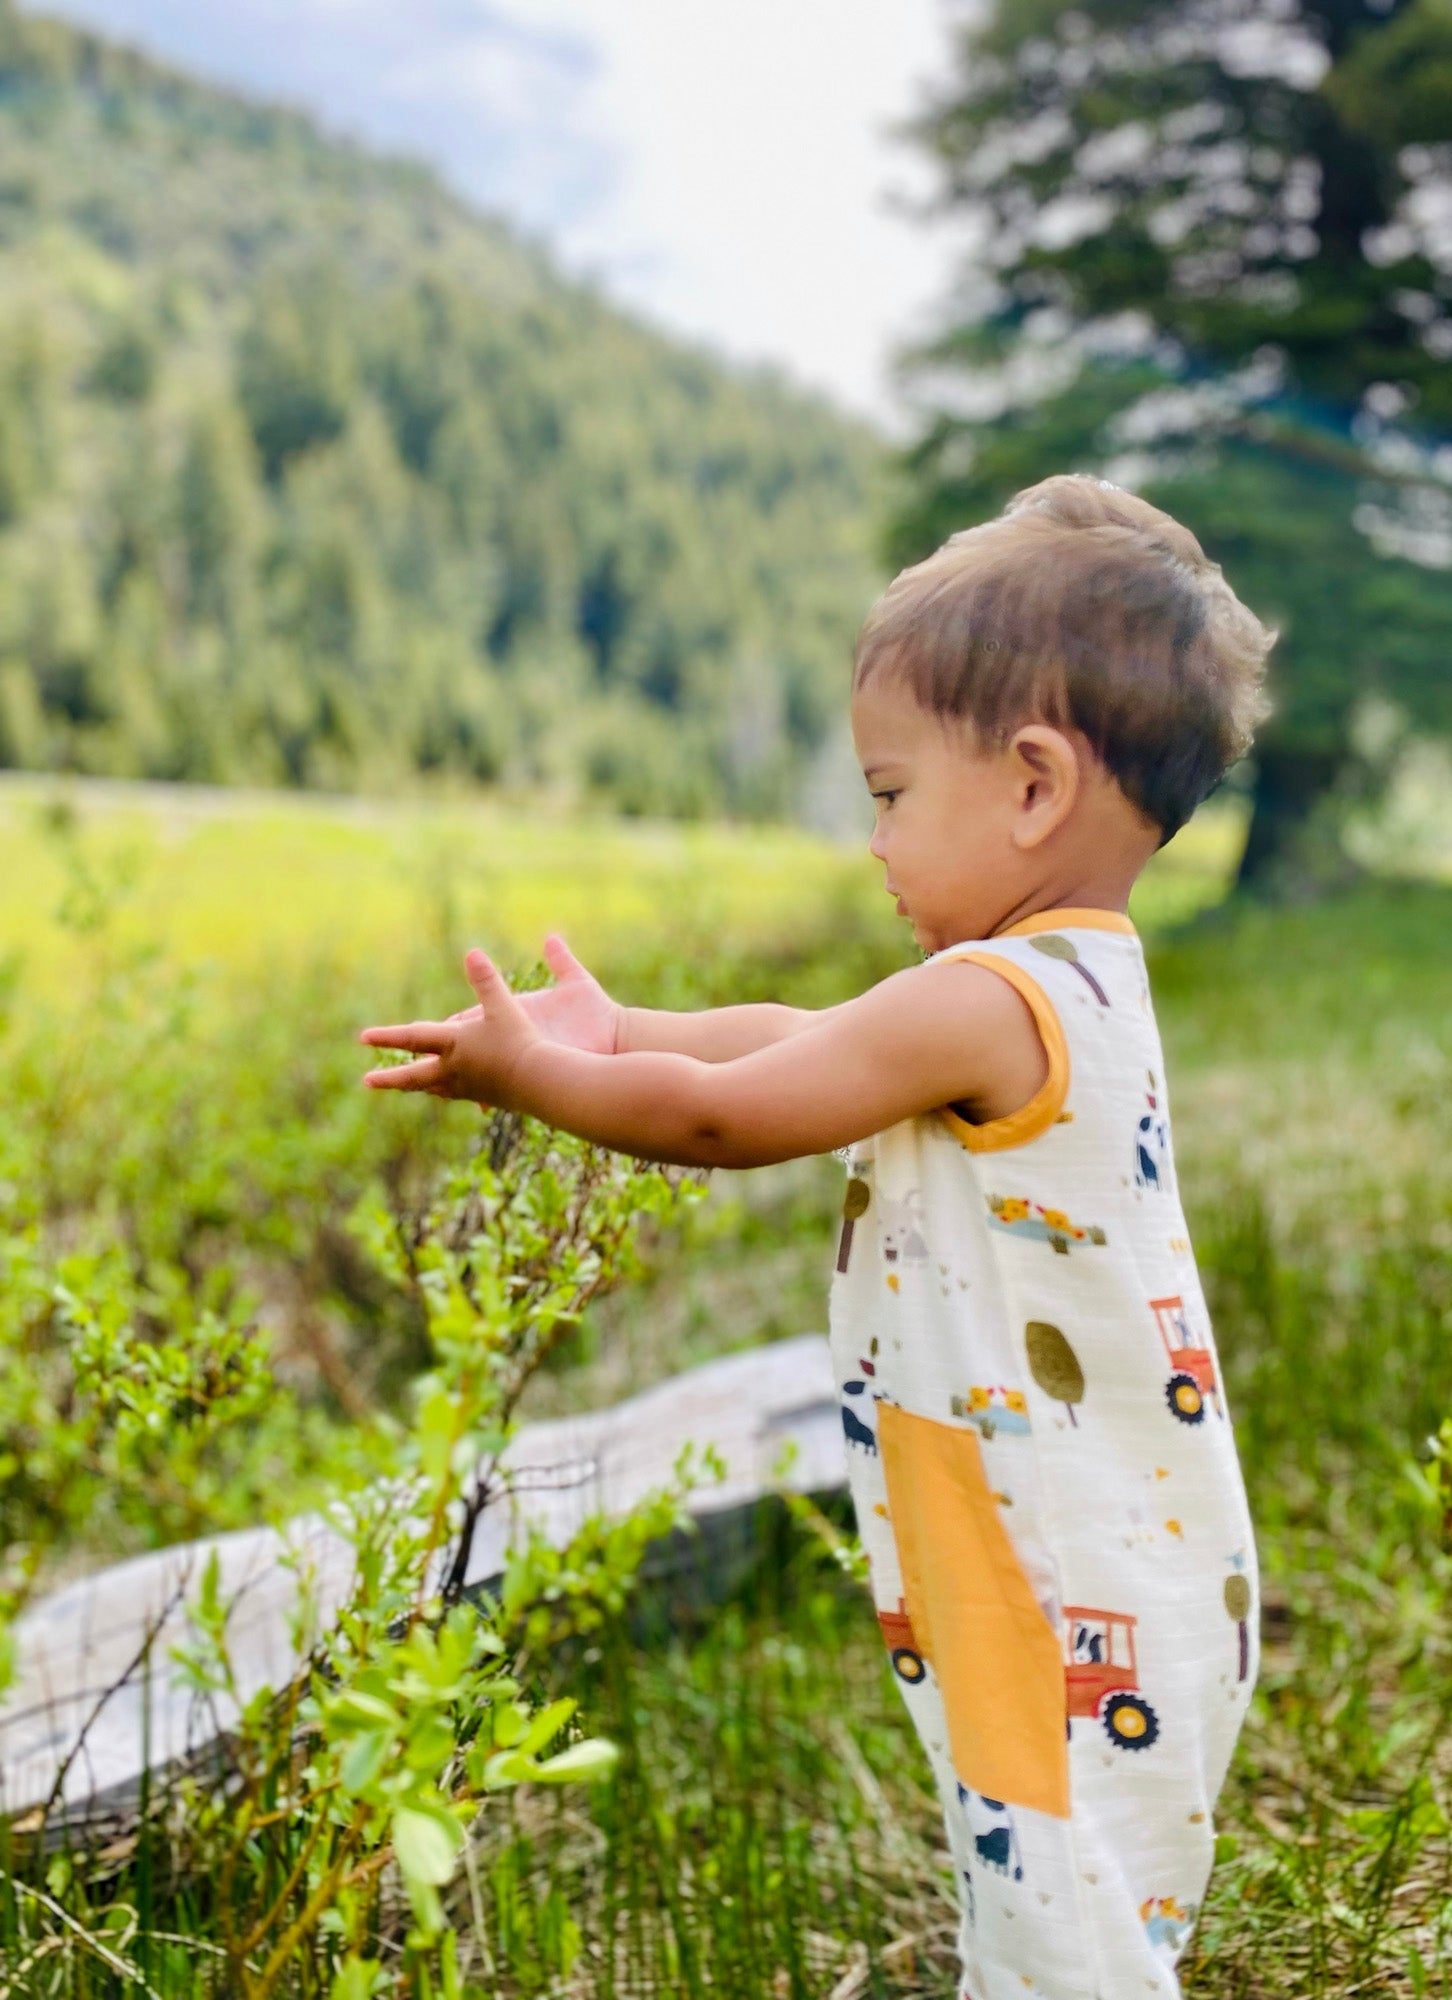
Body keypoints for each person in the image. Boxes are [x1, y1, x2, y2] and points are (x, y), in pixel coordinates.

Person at [360, 473, 1273, 2000]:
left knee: (1063, 1908)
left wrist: (548, 1076)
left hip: (1056, 1564)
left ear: (1037, 785)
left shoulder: (996, 994)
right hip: (1091, 1545)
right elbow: (804, 1038)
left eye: (891, 793)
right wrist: (630, 1022)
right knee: (1072, 1889)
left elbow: (737, 1117)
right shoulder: (1063, 980)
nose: (877, 841)